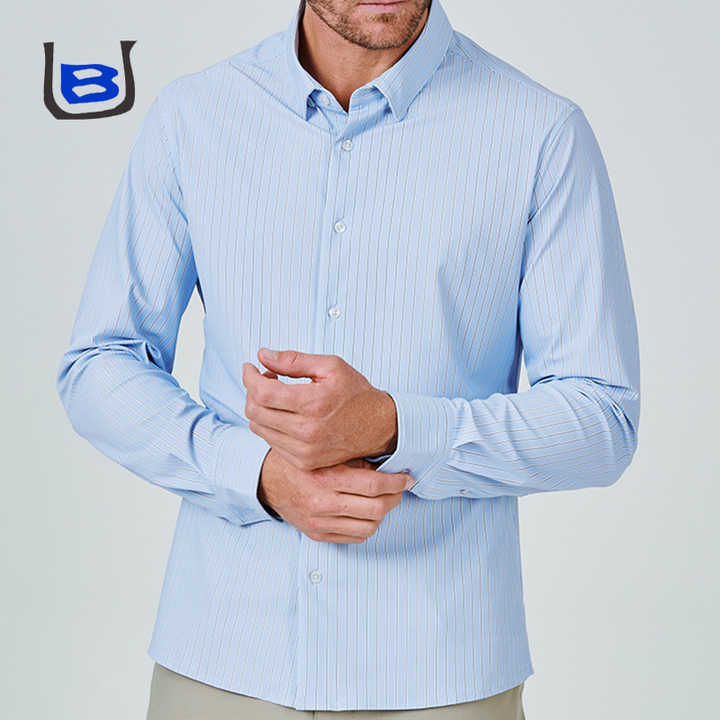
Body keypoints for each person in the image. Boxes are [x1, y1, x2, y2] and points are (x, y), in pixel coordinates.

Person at [55, 0, 641, 718]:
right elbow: (99, 362)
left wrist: (394, 428)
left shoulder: (540, 133)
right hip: (222, 659)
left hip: (441, 675)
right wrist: (257, 477)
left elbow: (602, 420)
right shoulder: (193, 118)